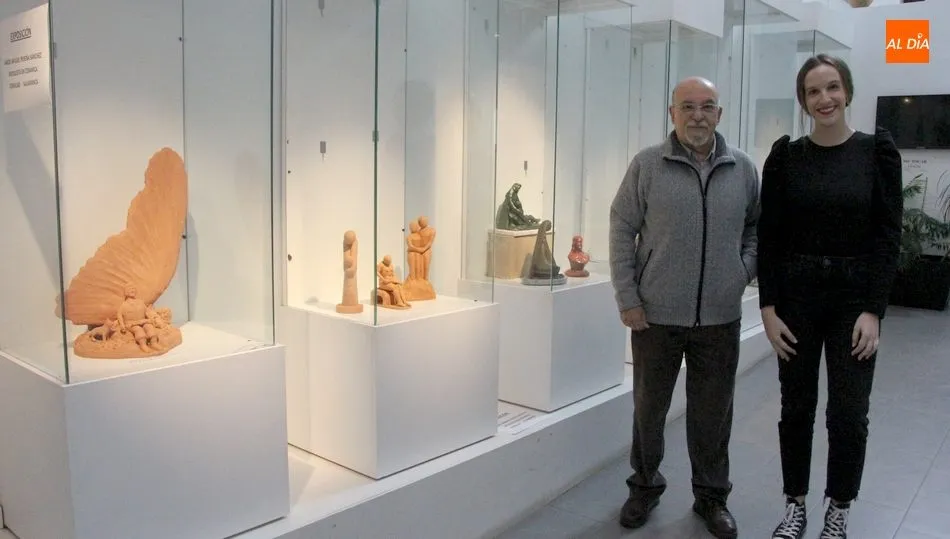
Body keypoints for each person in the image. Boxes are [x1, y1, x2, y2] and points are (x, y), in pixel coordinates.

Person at [757, 54, 902, 539]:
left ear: (848, 92)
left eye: (833, 87)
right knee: (795, 408)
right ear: (803, 100)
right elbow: (770, 236)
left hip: (852, 302)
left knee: (848, 415)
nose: (825, 99)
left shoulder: (875, 153)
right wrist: (768, 307)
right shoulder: (786, 157)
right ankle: (794, 504)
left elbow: (888, 236)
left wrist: (873, 310)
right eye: (814, 91)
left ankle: (838, 508)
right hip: (796, 300)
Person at [609, 76, 760, 539]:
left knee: (712, 415)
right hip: (655, 318)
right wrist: (629, 298)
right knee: (649, 411)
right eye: (688, 106)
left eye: (707, 106)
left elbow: (757, 229)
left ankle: (711, 498)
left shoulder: (744, 168)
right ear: (672, 113)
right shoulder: (647, 166)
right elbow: (621, 228)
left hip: (719, 317)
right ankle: (644, 486)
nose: (698, 115)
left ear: (720, 113)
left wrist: (742, 271)